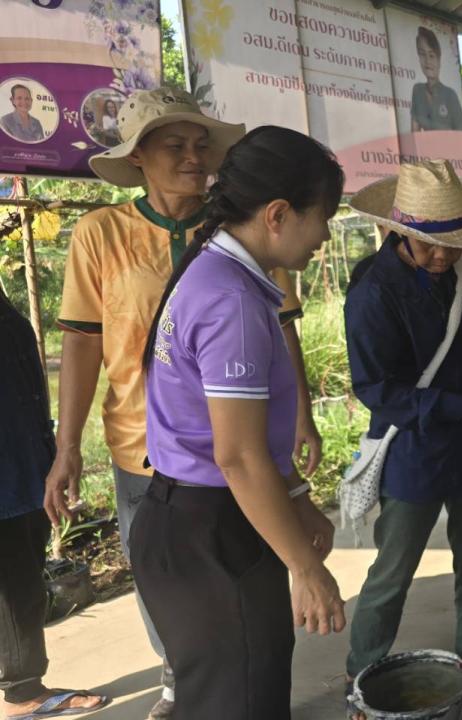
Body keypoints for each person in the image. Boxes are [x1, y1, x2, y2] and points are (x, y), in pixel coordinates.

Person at [46, 87, 323, 720]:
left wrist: (300, 419)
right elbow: (83, 346)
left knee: (235, 606)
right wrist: (68, 448)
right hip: (147, 446)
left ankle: (204, 687)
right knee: (184, 598)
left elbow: (282, 332)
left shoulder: (239, 229)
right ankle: (186, 686)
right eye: (176, 146)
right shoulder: (103, 235)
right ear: (138, 156)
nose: (194, 158)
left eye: (203, 145)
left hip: (231, 450)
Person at [130, 125, 346, 720]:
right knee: (244, 701)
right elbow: (238, 456)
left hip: (188, 521)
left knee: (225, 698)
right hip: (212, 533)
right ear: (278, 214)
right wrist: (306, 568)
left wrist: (297, 498)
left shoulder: (213, 270)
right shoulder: (233, 303)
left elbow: (237, 438)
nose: (326, 236)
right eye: (322, 216)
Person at [342, 161, 462, 717]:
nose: (443, 257)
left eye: (452, 245)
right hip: (412, 454)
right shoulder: (373, 291)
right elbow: (375, 389)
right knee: (393, 573)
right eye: (428, 246)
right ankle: (359, 678)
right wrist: (456, 406)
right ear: (400, 232)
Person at [1, 286, 108, 719]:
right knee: (15, 587)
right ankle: (22, 691)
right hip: (7, 478)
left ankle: (22, 685)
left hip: (23, 464)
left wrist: (53, 454)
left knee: (21, 578)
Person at [409, 27, 462, 132]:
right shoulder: (418, 90)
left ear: (439, 59)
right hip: (425, 148)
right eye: (422, 54)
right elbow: (414, 133)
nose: (427, 61)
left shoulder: (450, 95)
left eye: (431, 55)